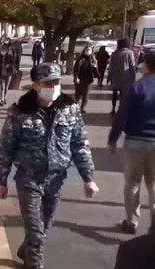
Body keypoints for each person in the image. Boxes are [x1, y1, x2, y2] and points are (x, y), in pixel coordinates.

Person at [0, 63, 99, 269]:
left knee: (44, 226)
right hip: (28, 178)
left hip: (56, 179)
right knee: (35, 230)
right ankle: (34, 263)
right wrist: (2, 180)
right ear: (35, 85)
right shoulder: (19, 112)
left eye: (57, 82)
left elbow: (79, 144)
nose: (53, 86)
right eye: (47, 83)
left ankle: (27, 248)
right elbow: (6, 147)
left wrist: (88, 178)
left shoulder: (70, 109)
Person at [108, 51, 155, 235]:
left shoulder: (137, 87)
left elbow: (122, 116)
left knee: (133, 183)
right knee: (154, 183)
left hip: (135, 141)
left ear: (147, 66)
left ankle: (132, 221)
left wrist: (113, 138)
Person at [109, 38, 136, 117]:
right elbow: (132, 66)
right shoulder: (129, 53)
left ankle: (113, 109)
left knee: (114, 93)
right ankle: (120, 109)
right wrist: (133, 77)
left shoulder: (114, 53)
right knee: (123, 95)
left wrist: (109, 77)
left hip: (115, 77)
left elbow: (111, 66)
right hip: (126, 77)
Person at [73, 46, 99, 113]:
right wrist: (76, 77)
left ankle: (82, 108)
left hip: (89, 80)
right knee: (78, 94)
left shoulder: (93, 59)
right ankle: (76, 107)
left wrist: (94, 67)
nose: (88, 51)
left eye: (90, 50)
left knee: (86, 94)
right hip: (80, 78)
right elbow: (76, 69)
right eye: (87, 49)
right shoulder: (80, 59)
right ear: (84, 50)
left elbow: (95, 70)